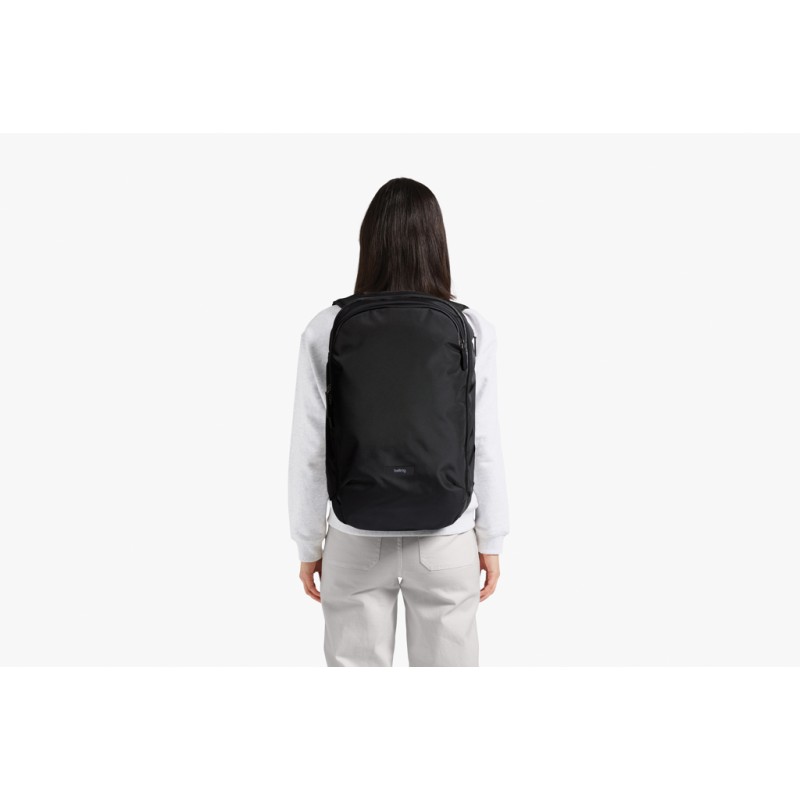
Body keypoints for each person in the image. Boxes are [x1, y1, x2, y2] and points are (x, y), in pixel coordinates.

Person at [288, 177, 510, 667]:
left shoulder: (326, 327)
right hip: (447, 535)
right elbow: (484, 443)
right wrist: (491, 537)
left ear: (368, 243)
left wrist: (308, 543)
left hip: (355, 536)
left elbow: (311, 450)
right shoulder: (472, 328)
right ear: (437, 243)